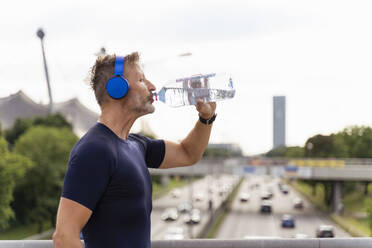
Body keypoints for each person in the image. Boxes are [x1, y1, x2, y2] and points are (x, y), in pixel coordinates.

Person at [53, 52, 217, 248]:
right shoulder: (94, 150)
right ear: (117, 88)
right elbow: (64, 237)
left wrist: (206, 118)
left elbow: (188, 153)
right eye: (141, 79)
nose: (152, 86)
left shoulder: (136, 145)